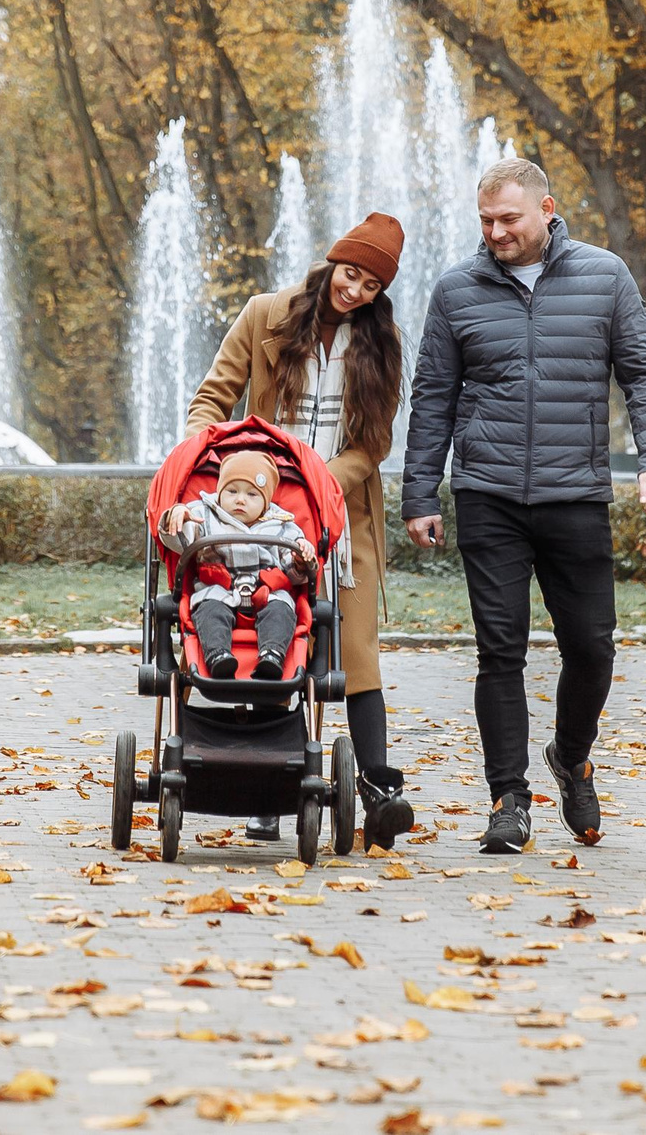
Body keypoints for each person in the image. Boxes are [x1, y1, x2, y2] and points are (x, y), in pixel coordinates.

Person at [402, 159, 646, 854]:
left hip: (575, 493)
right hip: (488, 494)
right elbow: (432, 395)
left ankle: (572, 754)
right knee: (501, 651)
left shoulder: (605, 276)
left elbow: (645, 371)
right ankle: (508, 798)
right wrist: (419, 491)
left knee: (592, 646)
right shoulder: (457, 290)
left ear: (546, 208)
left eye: (509, 219)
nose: (495, 232)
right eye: (486, 221)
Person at [187, 212, 417, 851]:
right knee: (264, 622)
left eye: (372, 285)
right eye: (351, 274)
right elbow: (211, 402)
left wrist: (319, 484)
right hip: (259, 511)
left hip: (341, 513)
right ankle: (265, 790)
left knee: (355, 646)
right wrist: (211, 470)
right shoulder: (267, 315)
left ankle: (378, 788)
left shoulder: (380, 340)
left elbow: (372, 444)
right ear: (332, 263)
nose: (356, 291)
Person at [161, 450, 316, 680]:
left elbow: (292, 574)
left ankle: (272, 655)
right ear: (220, 491)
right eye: (232, 491)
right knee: (209, 608)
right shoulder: (203, 514)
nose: (240, 499)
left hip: (266, 593)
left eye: (252, 494)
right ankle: (217, 656)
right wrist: (177, 516)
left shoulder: (283, 525)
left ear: (266, 502)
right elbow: (180, 542)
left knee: (282, 608)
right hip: (218, 590)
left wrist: (301, 559)